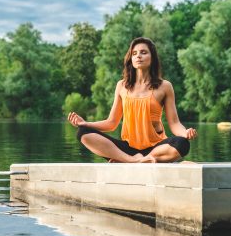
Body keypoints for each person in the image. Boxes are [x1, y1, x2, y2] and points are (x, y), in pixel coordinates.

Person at [68, 37, 197, 163]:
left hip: (157, 148)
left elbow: (174, 123)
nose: (138, 56)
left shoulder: (165, 86)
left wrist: (185, 133)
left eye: (143, 52)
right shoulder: (121, 86)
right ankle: (133, 160)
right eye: (134, 53)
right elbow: (112, 123)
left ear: (152, 58)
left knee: (182, 143)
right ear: (131, 59)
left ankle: (142, 158)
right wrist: (85, 124)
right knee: (83, 133)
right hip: (128, 149)